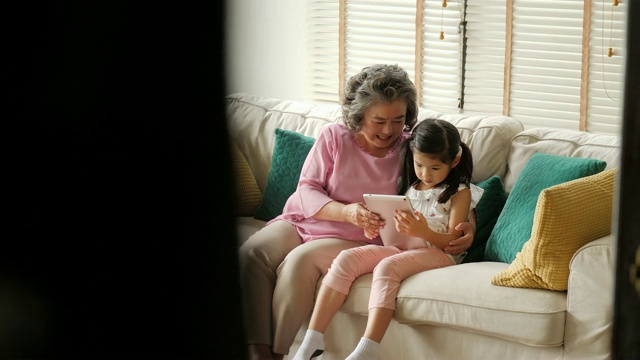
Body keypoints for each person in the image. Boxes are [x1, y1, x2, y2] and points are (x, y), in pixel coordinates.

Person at [239, 64, 477, 360]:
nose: (389, 130)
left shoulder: (409, 150)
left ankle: (277, 353)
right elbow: (307, 189)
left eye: (398, 120)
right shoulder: (333, 137)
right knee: (251, 253)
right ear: (359, 115)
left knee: (299, 262)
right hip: (303, 220)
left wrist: (469, 227)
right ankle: (256, 349)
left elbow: (451, 186)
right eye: (379, 120)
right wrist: (347, 211)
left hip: (357, 237)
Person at [291, 118, 483, 360]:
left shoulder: (460, 192)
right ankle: (312, 340)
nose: (426, 174)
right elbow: (397, 225)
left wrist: (423, 232)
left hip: (439, 254)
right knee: (347, 259)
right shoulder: (412, 185)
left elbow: (452, 243)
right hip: (402, 247)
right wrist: (379, 228)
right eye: (419, 165)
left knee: (387, 267)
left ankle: (367, 349)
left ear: (454, 161)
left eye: (435, 168)